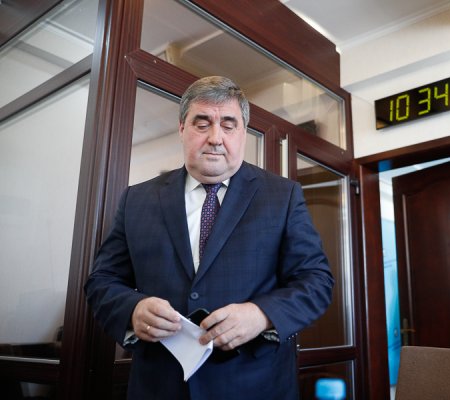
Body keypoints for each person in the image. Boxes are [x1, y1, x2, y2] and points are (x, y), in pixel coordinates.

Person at [85, 76, 334, 400]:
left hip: (255, 386)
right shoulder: (137, 199)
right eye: (202, 124)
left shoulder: (282, 196)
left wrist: (261, 315)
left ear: (243, 132)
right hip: (159, 386)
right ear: (182, 129)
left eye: (228, 125)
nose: (216, 138)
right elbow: (102, 280)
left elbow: (317, 281)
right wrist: (133, 309)